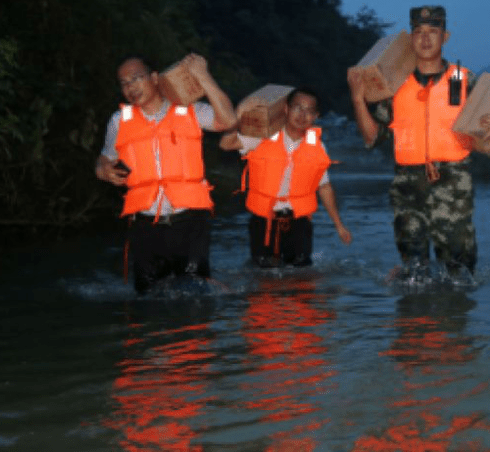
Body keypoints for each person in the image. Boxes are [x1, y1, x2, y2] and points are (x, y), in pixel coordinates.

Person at [347, 5, 490, 278]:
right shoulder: (393, 84)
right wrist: (357, 99)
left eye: (433, 32)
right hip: (407, 184)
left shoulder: (464, 79)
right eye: (419, 32)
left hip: (454, 182)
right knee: (414, 274)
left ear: (445, 37)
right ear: (410, 39)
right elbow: (372, 137)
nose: (425, 39)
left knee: (460, 273)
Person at [95, 53, 237, 293]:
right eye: (124, 83)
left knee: (195, 294)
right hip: (145, 227)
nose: (130, 87)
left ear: (154, 78)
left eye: (136, 78)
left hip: (190, 223)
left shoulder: (189, 110)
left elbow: (229, 120)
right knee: (148, 300)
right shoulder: (119, 121)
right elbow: (105, 158)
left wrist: (203, 76)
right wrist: (102, 170)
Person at [221, 87, 353, 267]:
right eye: (298, 107)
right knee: (264, 274)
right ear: (286, 109)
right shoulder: (263, 136)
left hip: (299, 222)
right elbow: (226, 144)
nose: (302, 114)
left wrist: (339, 225)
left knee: (300, 274)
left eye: (309, 111)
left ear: (315, 117)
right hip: (264, 219)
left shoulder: (317, 147)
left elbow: (324, 187)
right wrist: (238, 117)